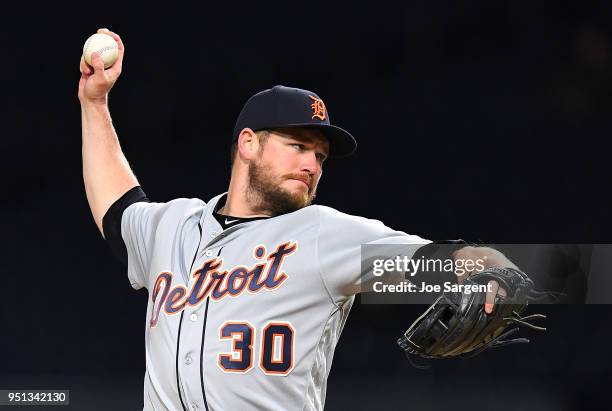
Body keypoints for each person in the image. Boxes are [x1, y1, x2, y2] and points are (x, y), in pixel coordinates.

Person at [79, 28, 515, 411]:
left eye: (320, 156)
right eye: (298, 145)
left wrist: (495, 269)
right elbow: (117, 207)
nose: (313, 164)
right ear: (248, 143)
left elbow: (444, 259)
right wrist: (94, 102)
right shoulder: (172, 227)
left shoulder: (324, 235)